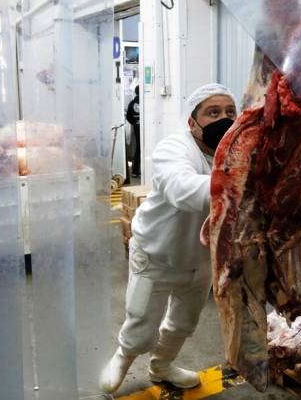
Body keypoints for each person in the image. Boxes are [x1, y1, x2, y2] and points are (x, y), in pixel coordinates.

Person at [100, 83, 238, 393]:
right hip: (156, 254)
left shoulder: (235, 154)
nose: (224, 119)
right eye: (213, 112)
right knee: (141, 324)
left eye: (230, 112)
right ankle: (123, 357)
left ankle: (161, 367)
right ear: (193, 122)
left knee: (183, 323)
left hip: (200, 260)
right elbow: (181, 190)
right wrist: (238, 184)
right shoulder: (174, 148)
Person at [126, 85, 141, 177]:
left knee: (138, 147)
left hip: (137, 127)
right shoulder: (145, 101)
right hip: (144, 127)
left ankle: (135, 171)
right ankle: (139, 170)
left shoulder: (132, 103)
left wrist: (135, 123)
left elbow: (128, 116)